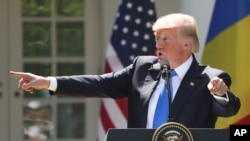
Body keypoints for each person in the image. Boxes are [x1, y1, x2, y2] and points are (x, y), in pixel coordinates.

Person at [10, 13, 240, 129]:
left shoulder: (210, 77)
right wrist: (47, 81)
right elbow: (98, 84)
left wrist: (220, 93)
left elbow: (229, 108)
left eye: (165, 39)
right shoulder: (142, 68)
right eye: (157, 38)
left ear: (186, 45)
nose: (158, 44)